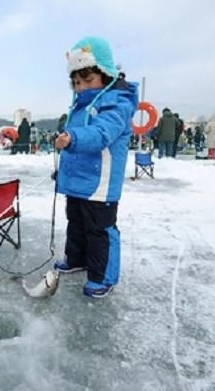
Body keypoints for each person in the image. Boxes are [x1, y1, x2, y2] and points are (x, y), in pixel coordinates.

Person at [53, 36, 138, 298]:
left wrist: (73, 139)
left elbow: (102, 133)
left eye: (88, 81)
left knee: (99, 229)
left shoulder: (116, 102)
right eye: (77, 82)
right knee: (76, 223)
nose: (81, 87)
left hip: (100, 184)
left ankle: (103, 276)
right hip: (78, 181)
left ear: (106, 74)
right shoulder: (79, 105)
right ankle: (77, 258)